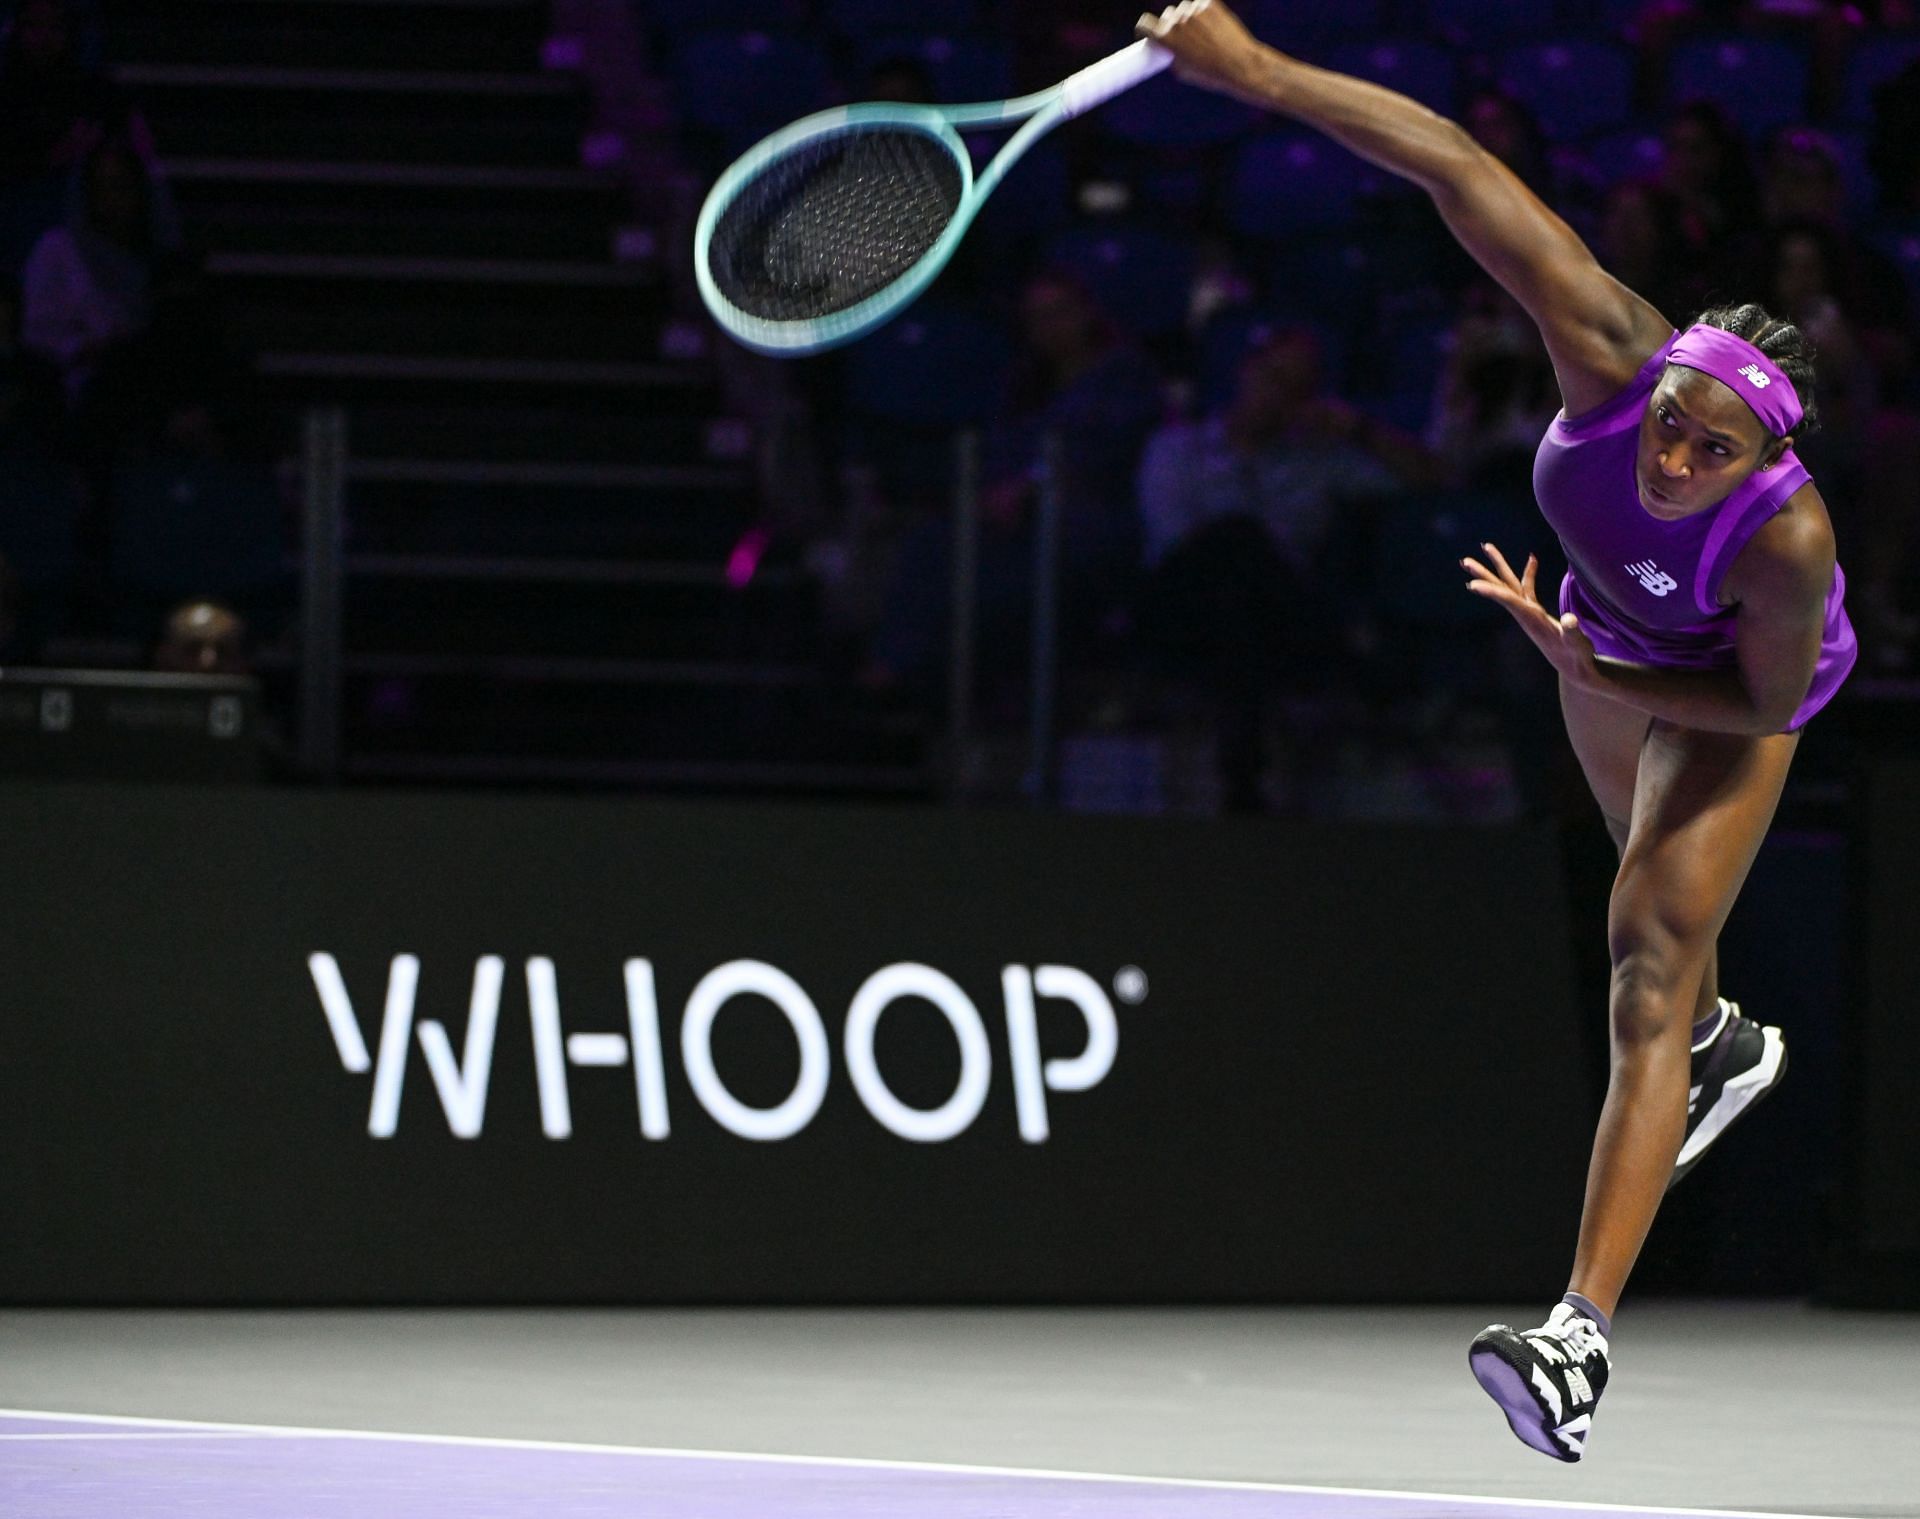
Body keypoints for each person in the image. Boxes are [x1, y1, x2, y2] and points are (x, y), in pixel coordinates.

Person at [1139, 0, 1856, 1464]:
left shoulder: (1786, 548)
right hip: (1596, 652)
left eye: (1711, 452)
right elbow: (1455, 164)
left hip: (1712, 687)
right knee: (1660, 968)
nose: (1671, 456)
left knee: (1645, 951)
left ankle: (1576, 1341)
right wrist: (1257, 71)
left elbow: (1764, 704)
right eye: (1669, 421)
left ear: (1764, 461)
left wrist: (1594, 660)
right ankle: (1721, 1052)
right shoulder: (1609, 355)